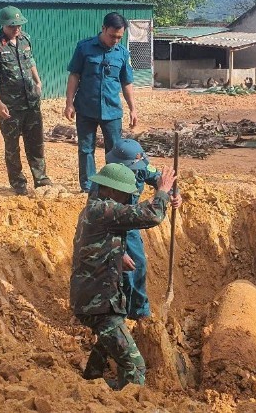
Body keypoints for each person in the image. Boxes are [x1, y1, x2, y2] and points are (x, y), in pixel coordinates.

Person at [70, 163, 177, 390]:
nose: (128, 199)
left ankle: (91, 385)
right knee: (135, 366)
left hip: (93, 299)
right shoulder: (103, 210)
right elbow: (151, 215)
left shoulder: (94, 209)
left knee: (107, 344)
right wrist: (163, 191)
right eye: (125, 194)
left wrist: (117, 254)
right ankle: (132, 401)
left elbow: (93, 245)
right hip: (98, 303)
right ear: (110, 190)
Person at [100, 139, 182, 320]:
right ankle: (116, 314)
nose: (136, 171)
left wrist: (173, 193)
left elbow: (158, 179)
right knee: (121, 271)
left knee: (138, 265)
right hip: (110, 228)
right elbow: (98, 225)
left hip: (130, 223)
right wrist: (118, 251)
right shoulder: (104, 184)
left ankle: (139, 313)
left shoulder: (140, 168)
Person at [64, 12, 137, 192]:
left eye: (119, 37)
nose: (115, 40)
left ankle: (112, 185)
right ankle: (88, 186)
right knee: (86, 149)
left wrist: (133, 109)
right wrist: (69, 102)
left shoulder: (122, 53)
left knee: (115, 150)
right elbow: (74, 75)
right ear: (103, 29)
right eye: (112, 36)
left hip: (112, 110)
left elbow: (126, 82)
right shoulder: (84, 48)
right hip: (86, 108)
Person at [0, 5, 52, 196]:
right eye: (12, 26)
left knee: (36, 143)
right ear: (3, 25)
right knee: (12, 146)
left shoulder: (25, 39)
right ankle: (18, 182)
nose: (16, 29)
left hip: (31, 102)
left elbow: (31, 61)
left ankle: (41, 178)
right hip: (11, 106)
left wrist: (38, 81)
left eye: (19, 25)